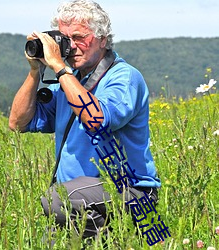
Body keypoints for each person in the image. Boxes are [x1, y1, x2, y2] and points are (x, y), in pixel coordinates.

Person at [9, 0, 161, 245]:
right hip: (81, 199)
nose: (71, 47)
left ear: (102, 38)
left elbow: (97, 120)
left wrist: (59, 67)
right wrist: (35, 70)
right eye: (65, 39)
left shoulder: (123, 77)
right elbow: (18, 122)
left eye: (79, 37)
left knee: (56, 199)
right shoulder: (68, 83)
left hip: (127, 192)